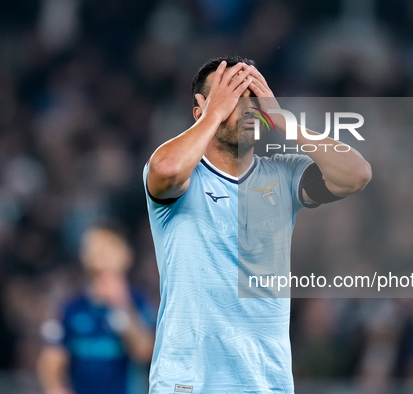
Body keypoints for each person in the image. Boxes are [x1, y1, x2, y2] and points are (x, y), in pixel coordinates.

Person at [143, 55, 371, 393]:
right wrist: (215, 115)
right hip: (189, 380)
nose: (249, 111)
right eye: (233, 99)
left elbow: (356, 175)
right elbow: (166, 170)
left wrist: (284, 122)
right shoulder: (183, 177)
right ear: (201, 111)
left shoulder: (282, 174)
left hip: (266, 382)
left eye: (254, 100)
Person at [37, 223, 155, 394]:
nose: (100, 252)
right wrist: (56, 388)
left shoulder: (138, 302)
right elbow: (52, 357)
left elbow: (143, 352)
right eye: (93, 246)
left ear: (125, 254)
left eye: (107, 245)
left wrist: (121, 306)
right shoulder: (72, 307)